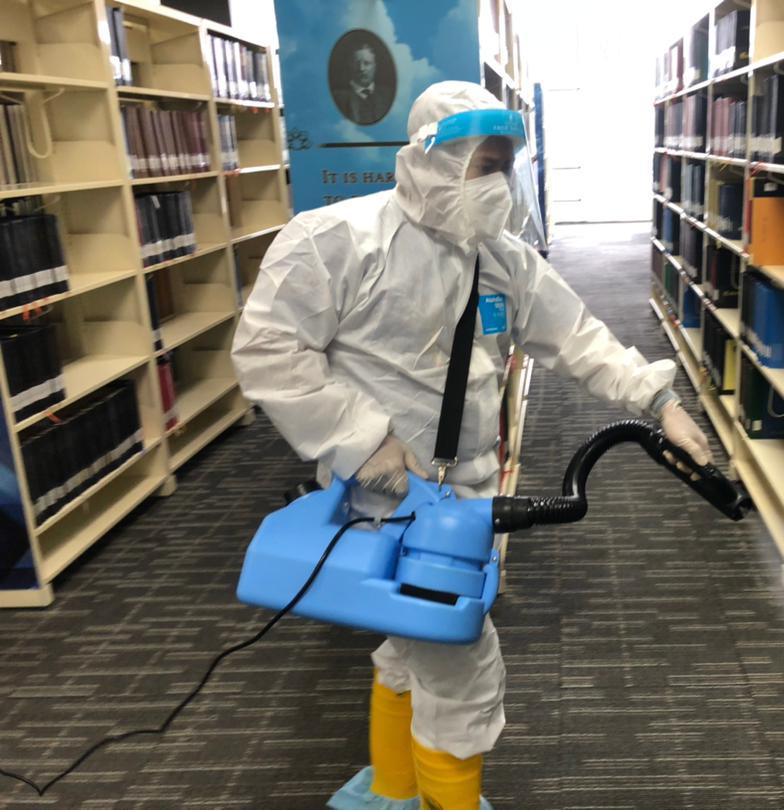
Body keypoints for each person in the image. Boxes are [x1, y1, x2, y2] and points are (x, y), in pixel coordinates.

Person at [231, 81, 714, 810]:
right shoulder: (337, 239)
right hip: (384, 490)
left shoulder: (503, 259)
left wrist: (659, 401)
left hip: (466, 496)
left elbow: (576, 337)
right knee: (461, 663)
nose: (499, 185)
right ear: (433, 160)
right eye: (484, 166)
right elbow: (269, 349)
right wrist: (363, 440)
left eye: (506, 167)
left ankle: (392, 790)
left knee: (406, 643)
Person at [334, 43, 392, 124]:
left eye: (367, 63)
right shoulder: (338, 98)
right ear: (350, 65)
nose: (361, 68)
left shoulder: (388, 95)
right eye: (357, 63)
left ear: (375, 66)